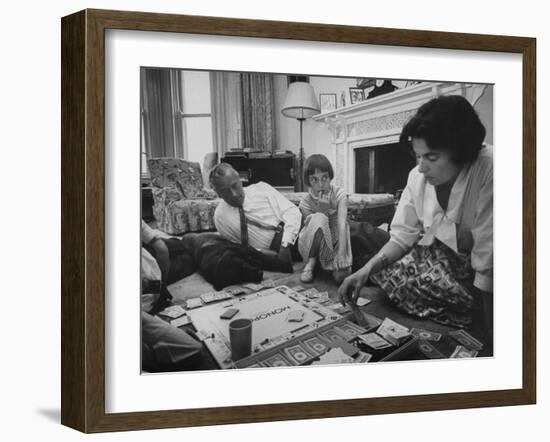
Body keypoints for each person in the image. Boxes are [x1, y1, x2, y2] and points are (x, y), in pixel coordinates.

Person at [339, 95, 493, 333]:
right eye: (418, 156)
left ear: (461, 151)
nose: (421, 166)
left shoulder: (490, 168)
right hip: (443, 257)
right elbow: (402, 236)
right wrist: (365, 271)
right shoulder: (417, 176)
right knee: (390, 275)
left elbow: (489, 258)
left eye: (431, 157)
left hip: (496, 264)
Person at [210, 162, 302, 271]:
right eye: (226, 191)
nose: (234, 194)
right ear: (218, 194)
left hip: (295, 232)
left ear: (239, 179)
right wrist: (262, 252)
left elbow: (292, 212)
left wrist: (285, 244)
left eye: (234, 186)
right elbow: (240, 248)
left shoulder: (261, 188)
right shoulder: (221, 217)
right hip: (270, 252)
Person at [141, 220, 203, 371]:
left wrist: (161, 287)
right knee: (195, 349)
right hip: (145, 306)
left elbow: (162, 249)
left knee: (183, 247)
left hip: (156, 279)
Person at [297, 154, 352, 284]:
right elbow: (313, 233)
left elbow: (342, 224)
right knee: (319, 218)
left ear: (330, 177)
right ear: (308, 181)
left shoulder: (340, 194)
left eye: (324, 178)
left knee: (341, 277)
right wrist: (322, 211)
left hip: (336, 239)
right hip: (313, 247)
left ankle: (328, 263)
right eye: (314, 180)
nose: (321, 184)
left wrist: (342, 253)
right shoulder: (305, 203)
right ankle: (311, 264)